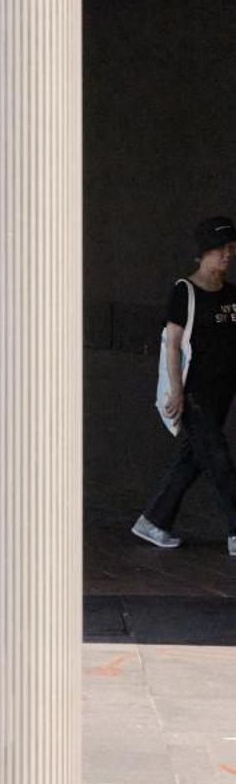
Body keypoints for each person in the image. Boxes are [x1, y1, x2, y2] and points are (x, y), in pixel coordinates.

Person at [134, 217, 236, 552]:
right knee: (218, 460)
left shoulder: (231, 294)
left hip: (222, 393)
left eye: (230, 247)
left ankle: (153, 522)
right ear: (203, 252)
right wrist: (177, 391)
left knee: (194, 458)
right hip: (194, 395)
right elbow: (172, 344)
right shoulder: (185, 291)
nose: (227, 254)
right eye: (220, 248)